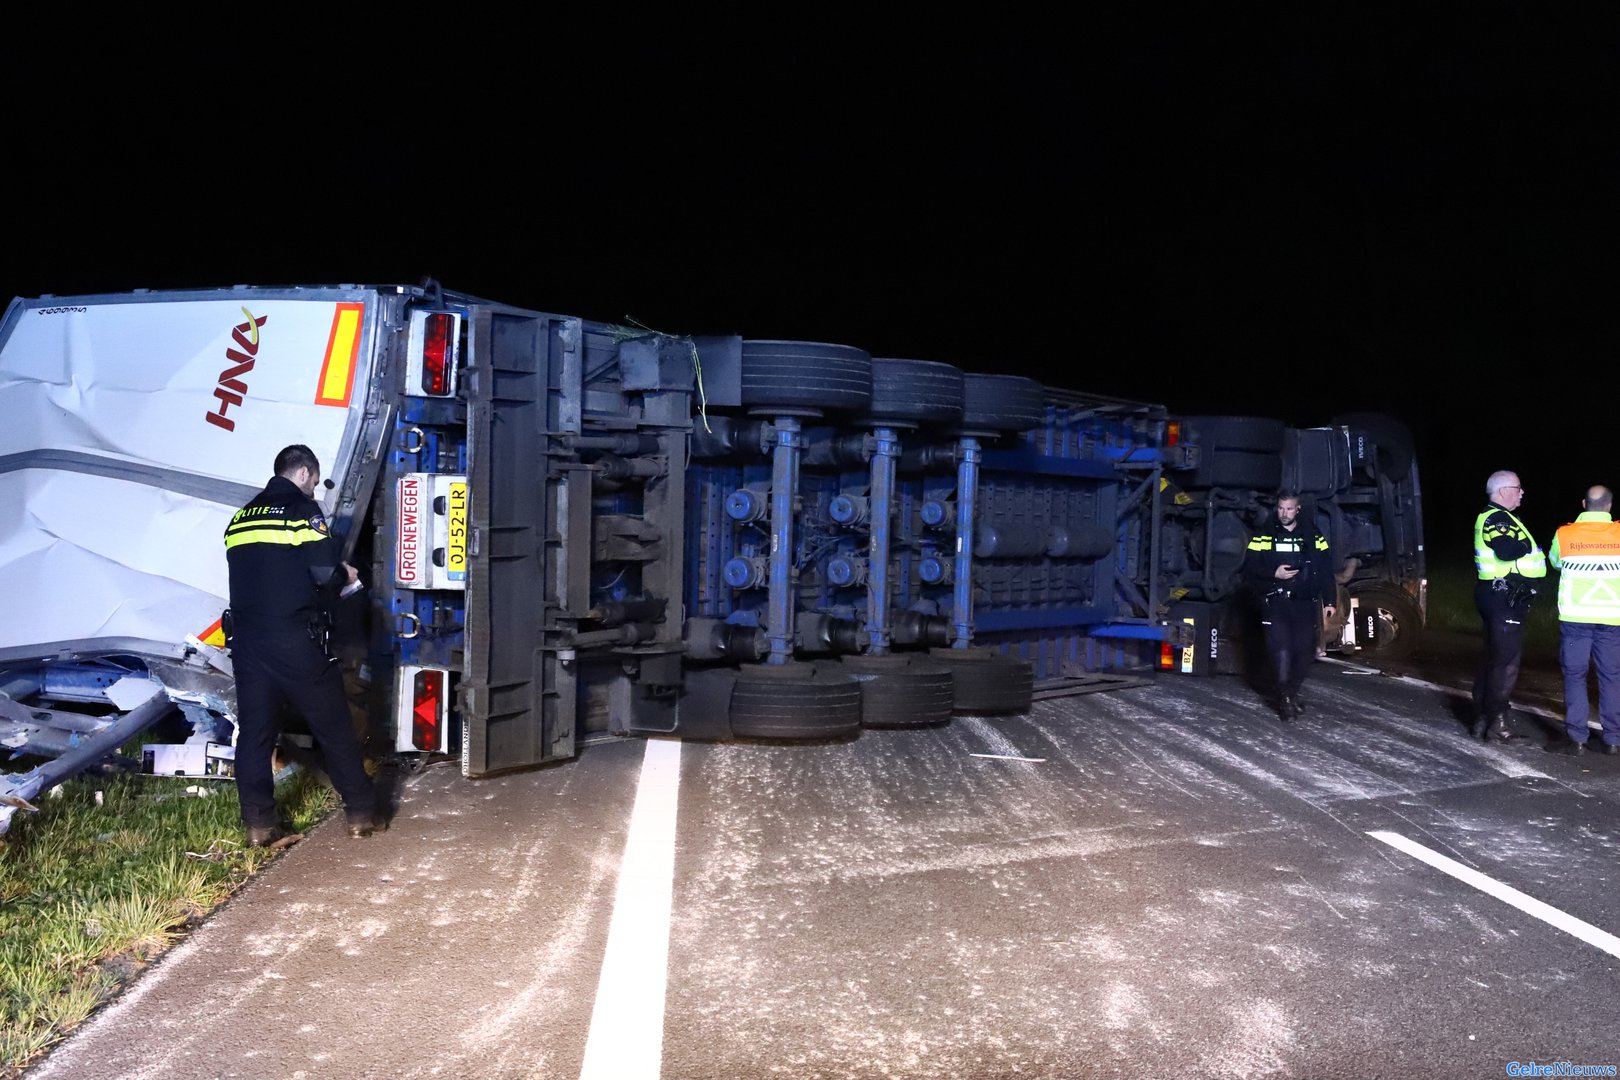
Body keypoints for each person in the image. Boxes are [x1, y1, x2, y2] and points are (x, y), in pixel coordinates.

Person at [224, 444, 385, 846]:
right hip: (297, 643)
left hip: (247, 645)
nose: (314, 488)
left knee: (255, 736)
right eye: (313, 481)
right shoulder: (302, 512)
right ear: (302, 474)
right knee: (334, 729)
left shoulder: (239, 519)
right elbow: (322, 574)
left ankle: (259, 825)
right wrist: (344, 575)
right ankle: (362, 814)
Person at [1241, 491, 1337, 721]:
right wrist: (1273, 573)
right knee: (1281, 650)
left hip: (1304, 603)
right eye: (1281, 508)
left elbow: (1324, 568)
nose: (1284, 514)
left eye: (1289, 509)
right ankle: (1285, 700)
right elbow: (1249, 568)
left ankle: (1290, 693)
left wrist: (1330, 600)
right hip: (1276, 602)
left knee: (1304, 653)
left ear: (1298, 510)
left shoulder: (1312, 534)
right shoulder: (1265, 533)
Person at [1471, 469, 1548, 742]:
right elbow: (1505, 549)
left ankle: (1483, 719)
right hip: (1503, 596)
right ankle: (1498, 724)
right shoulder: (1499, 518)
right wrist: (1526, 544)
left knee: (1493, 658)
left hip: (1497, 594)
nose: (1522, 492)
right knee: (1506, 663)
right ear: (1504, 491)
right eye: (1518, 487)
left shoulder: (1496, 516)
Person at [1547, 485, 1620, 756]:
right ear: (1609, 506)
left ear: (1583, 504)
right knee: (1611, 676)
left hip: (1576, 617)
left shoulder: (1565, 534)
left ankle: (1577, 738)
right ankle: (1613, 739)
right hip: (1613, 618)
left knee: (1575, 675)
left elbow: (1555, 562)